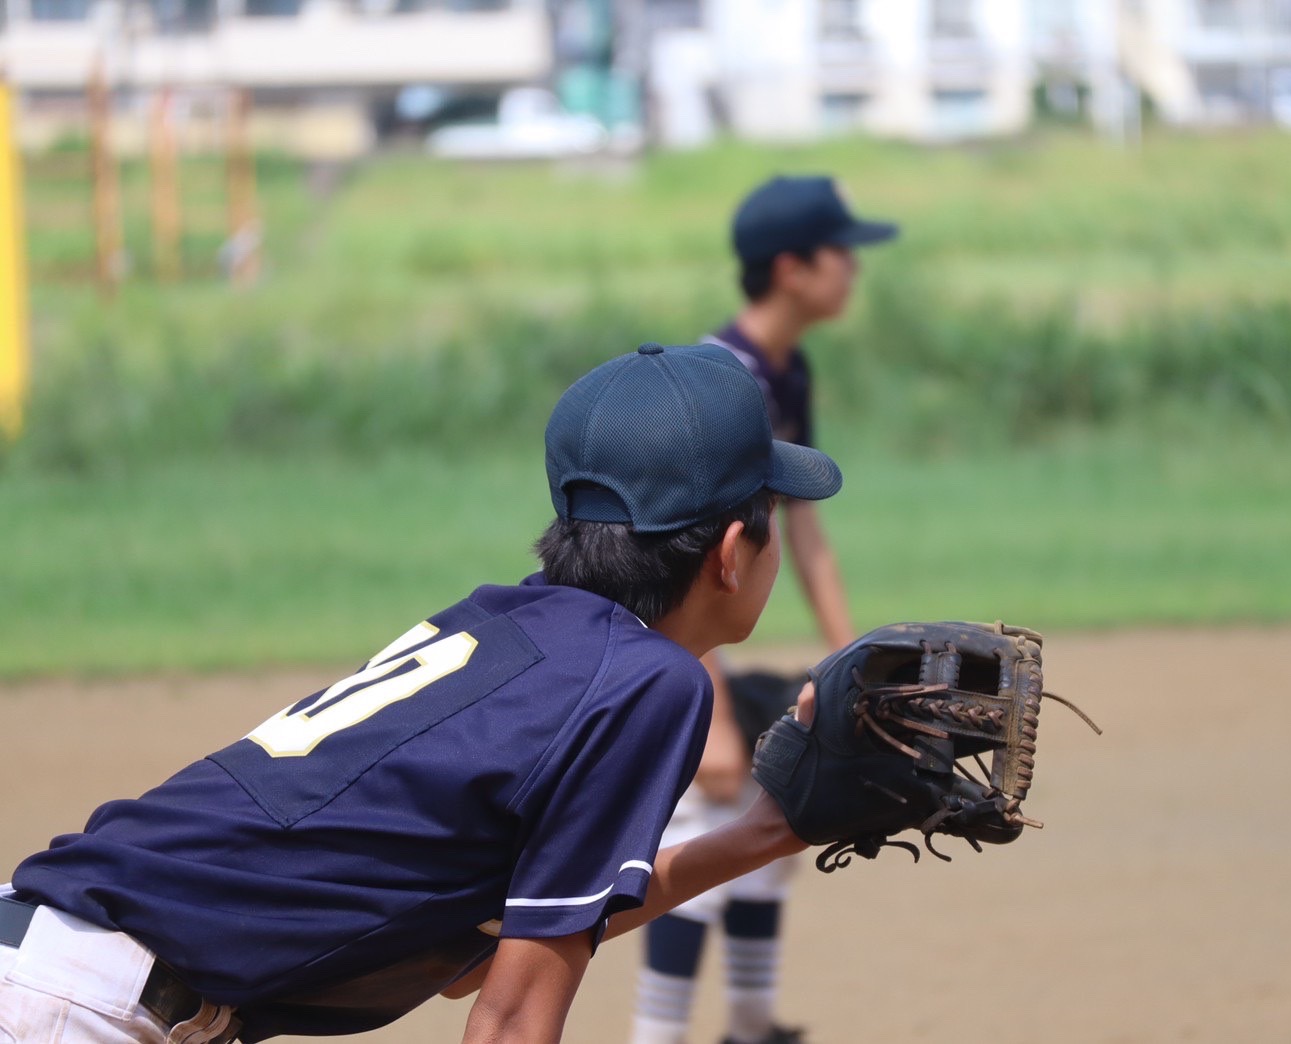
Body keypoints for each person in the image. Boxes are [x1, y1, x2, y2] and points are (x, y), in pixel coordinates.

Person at [0, 342, 842, 1044]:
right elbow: (508, 1020)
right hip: (76, 1010)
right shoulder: (647, 686)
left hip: (48, 960)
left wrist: (770, 832)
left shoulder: (509, 634)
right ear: (733, 550)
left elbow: (490, 952)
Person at [631, 177, 897, 1044]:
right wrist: (707, 714)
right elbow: (674, 563)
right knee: (703, 822)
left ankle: (749, 1027)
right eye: (840, 251)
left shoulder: (786, 371)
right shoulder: (720, 384)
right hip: (662, 644)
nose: (854, 268)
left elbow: (805, 529)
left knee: (772, 816)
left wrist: (851, 662)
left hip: (696, 647)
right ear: (790, 268)